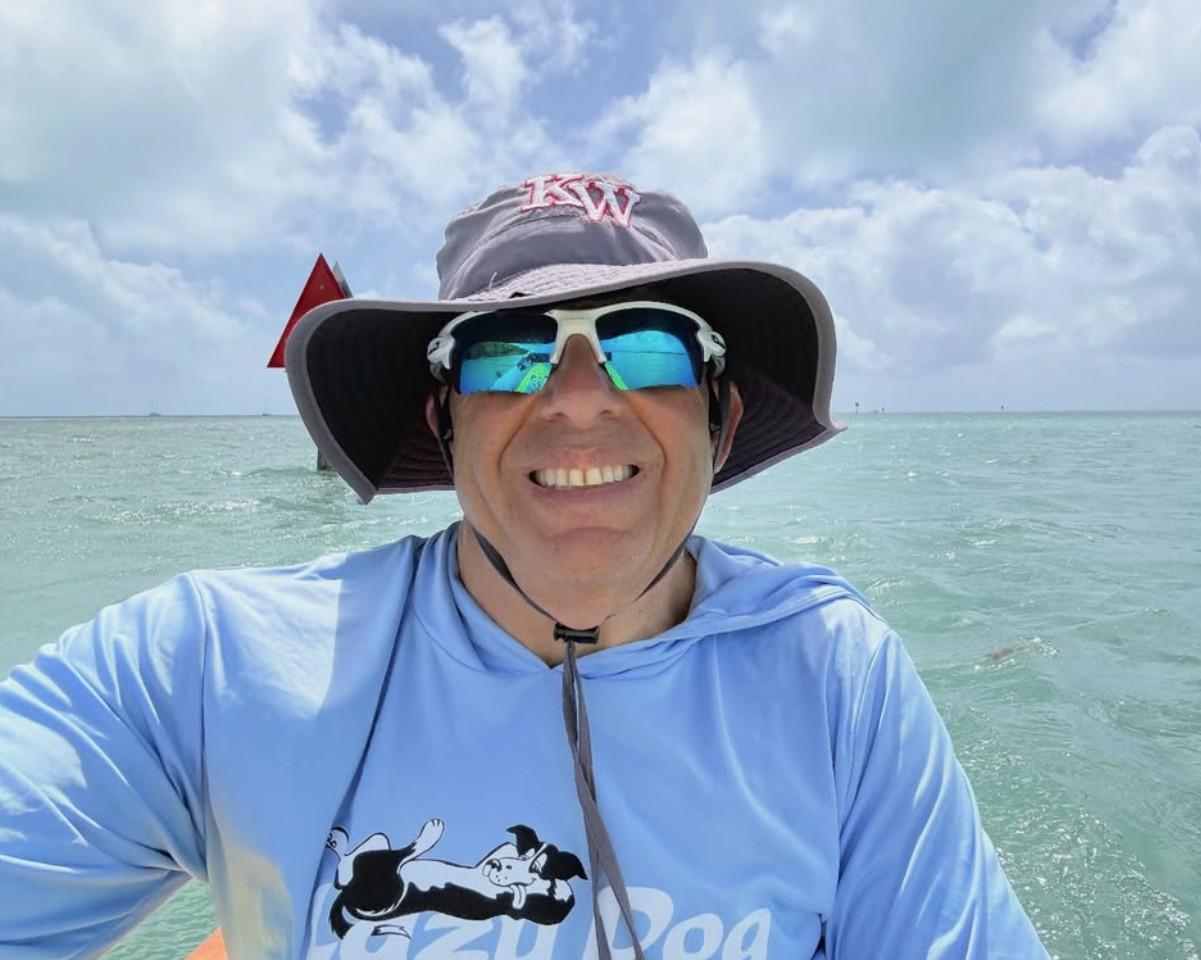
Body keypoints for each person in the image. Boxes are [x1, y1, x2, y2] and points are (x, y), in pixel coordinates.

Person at [0, 172, 1048, 959]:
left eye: (648, 344)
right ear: (446, 423)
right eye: (506, 349)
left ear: (719, 423)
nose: (579, 397)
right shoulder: (199, 665)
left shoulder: (837, 674)